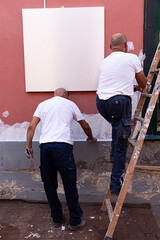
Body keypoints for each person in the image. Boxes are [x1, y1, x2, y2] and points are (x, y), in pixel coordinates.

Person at [25, 88, 96, 230]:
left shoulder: (43, 104)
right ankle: (75, 220)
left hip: (45, 148)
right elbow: (85, 125)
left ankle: (57, 218)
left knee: (49, 185)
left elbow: (31, 126)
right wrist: (90, 137)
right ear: (66, 95)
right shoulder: (70, 104)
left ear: (55, 94)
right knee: (69, 184)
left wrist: (29, 146)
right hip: (63, 147)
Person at [96, 33, 147, 194]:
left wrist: (132, 88)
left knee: (116, 128)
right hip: (119, 102)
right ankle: (116, 184)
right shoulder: (131, 58)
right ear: (125, 45)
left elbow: (113, 84)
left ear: (111, 47)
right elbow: (144, 84)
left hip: (101, 103)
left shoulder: (104, 62)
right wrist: (141, 86)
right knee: (121, 144)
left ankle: (113, 155)